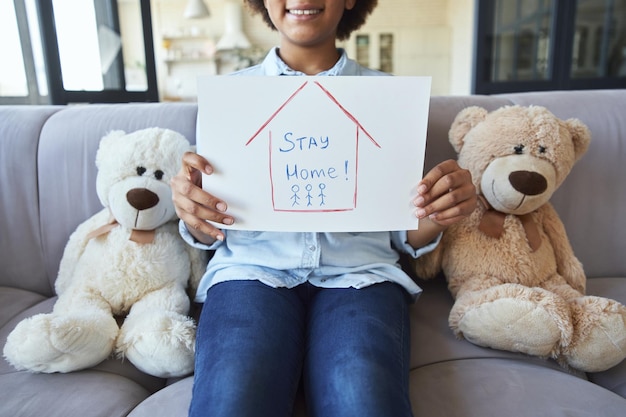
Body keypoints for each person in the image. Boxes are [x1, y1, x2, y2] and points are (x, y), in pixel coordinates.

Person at [172, 1, 477, 416]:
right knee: (230, 402)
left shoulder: (389, 98)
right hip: (251, 270)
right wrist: (192, 207)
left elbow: (403, 231)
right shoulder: (230, 98)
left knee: (364, 400)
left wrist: (439, 209)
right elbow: (215, 224)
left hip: (361, 275)